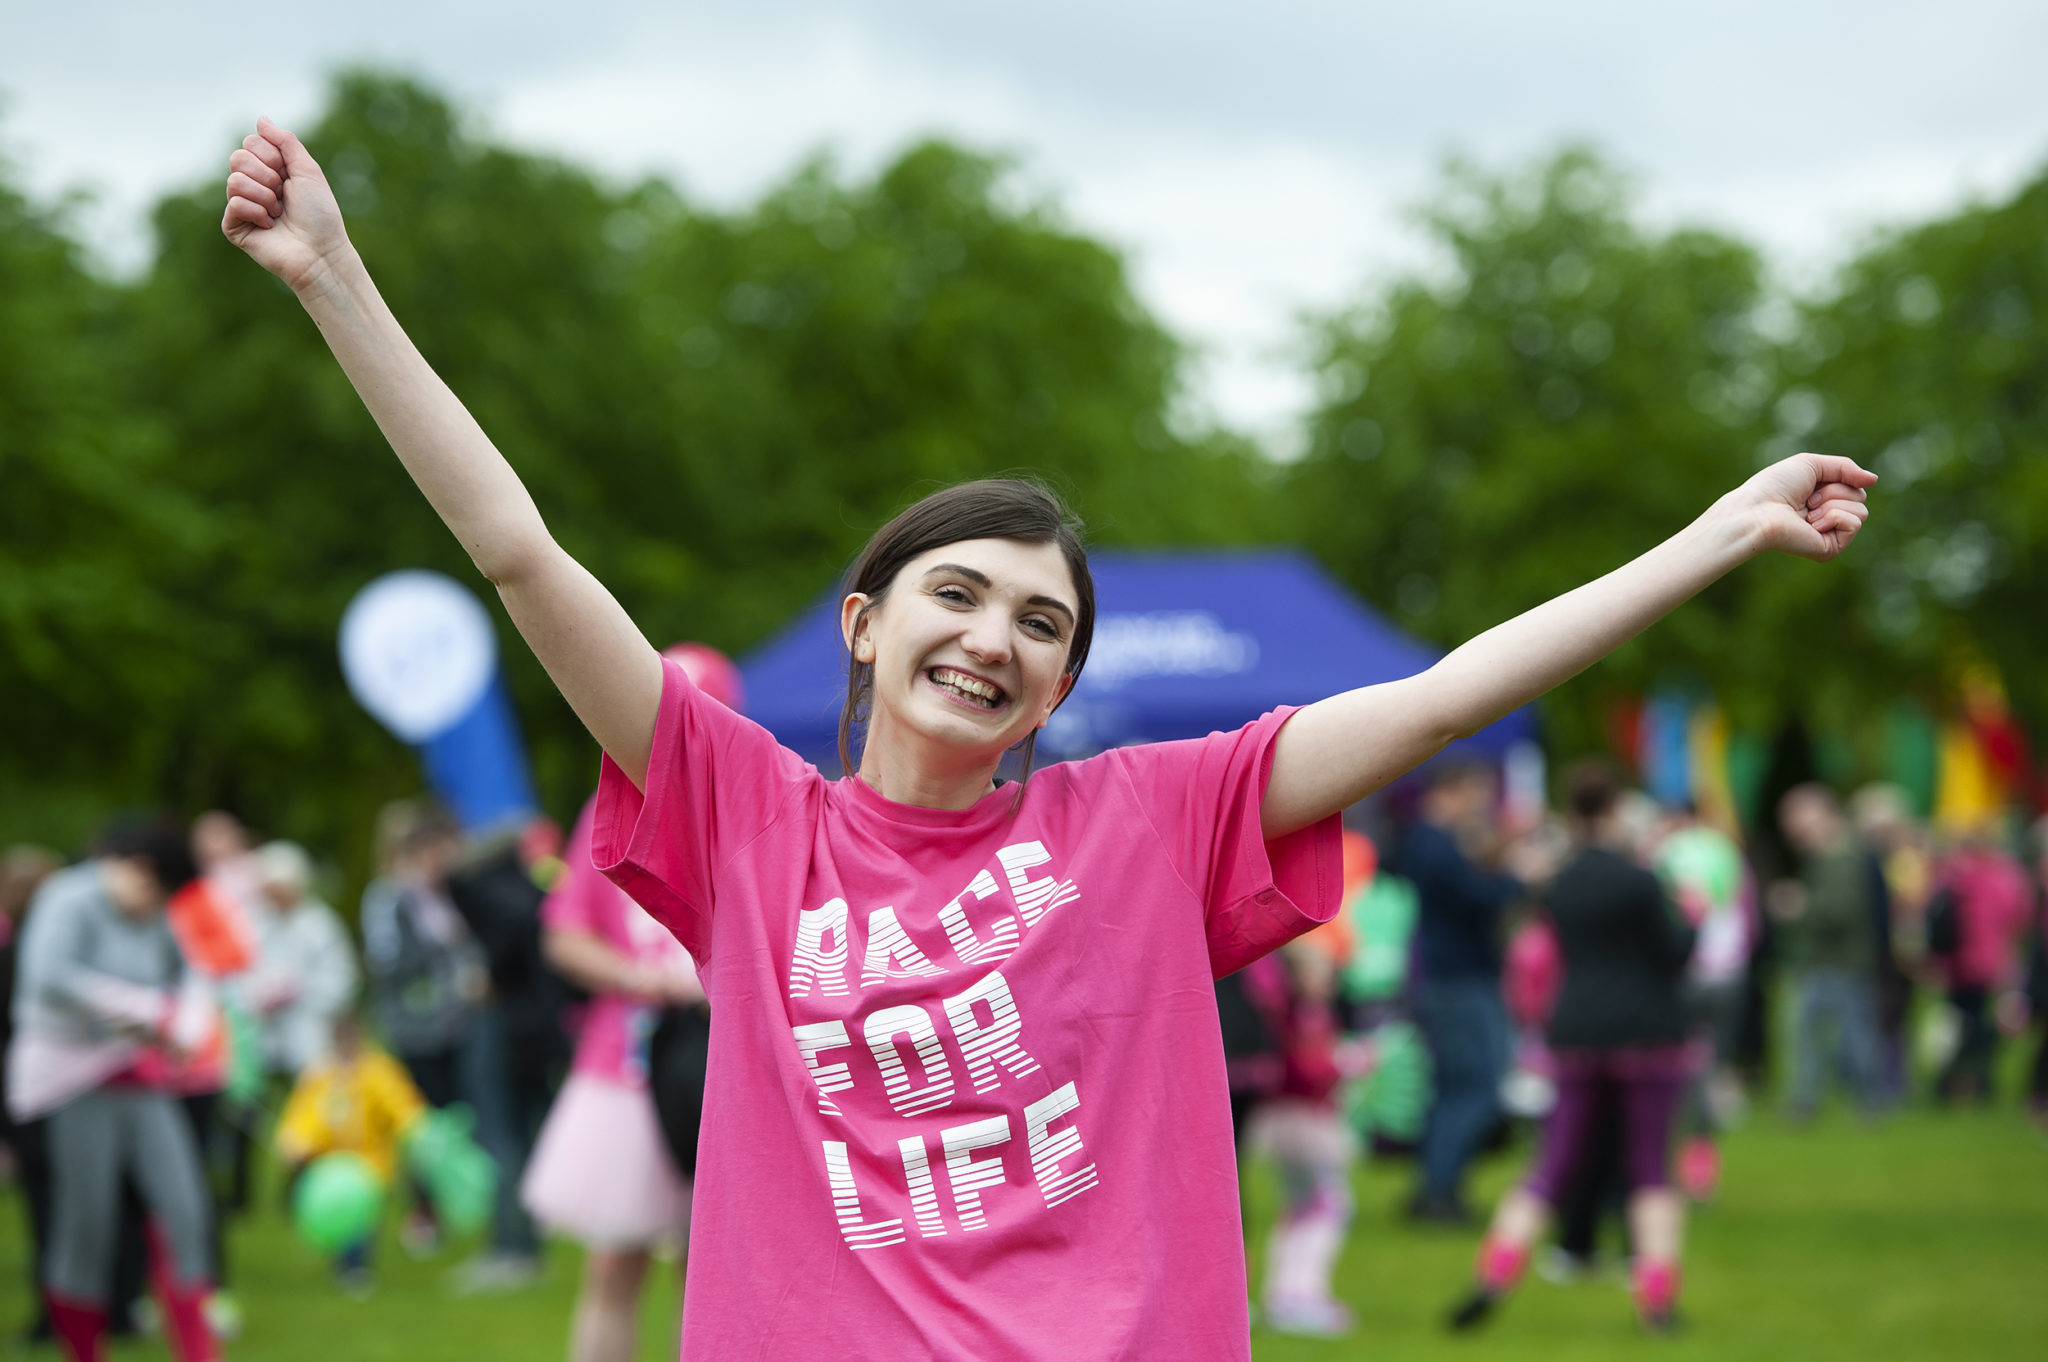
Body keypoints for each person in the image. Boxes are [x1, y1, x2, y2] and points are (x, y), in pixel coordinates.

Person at [221, 116, 1873, 1359]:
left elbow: (1445, 694)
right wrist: (336, 280)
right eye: (957, 590)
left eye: (1040, 622)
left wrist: (1713, 534)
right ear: (864, 620)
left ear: (1061, 682)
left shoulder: (1152, 820)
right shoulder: (738, 807)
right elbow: (520, 553)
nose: (993, 636)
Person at [1448, 762, 1697, 1333]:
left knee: (1552, 1165)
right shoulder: (1641, 878)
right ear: (1614, 809)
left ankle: (1494, 1274)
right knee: (1650, 1169)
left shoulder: (1557, 882)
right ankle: (1657, 1298)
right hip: (1647, 1031)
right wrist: (1692, 919)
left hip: (1577, 1029)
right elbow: (1673, 952)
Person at [7, 819, 222, 1362]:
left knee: (185, 1207)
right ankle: (82, 1350)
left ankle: (198, 1349)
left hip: (139, 1082)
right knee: (87, 1225)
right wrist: (143, 1008)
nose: (158, 909)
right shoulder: (68, 898)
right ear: (140, 872)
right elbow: (48, 980)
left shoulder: (158, 916)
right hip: (71, 1085)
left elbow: (187, 973)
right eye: (161, 893)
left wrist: (186, 1023)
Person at [522, 792, 705, 1362]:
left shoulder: (742, 796)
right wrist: (641, 977)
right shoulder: (609, 810)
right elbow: (564, 934)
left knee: (709, 1271)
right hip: (626, 1065)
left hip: (718, 1063)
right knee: (613, 1264)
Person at [1390, 763, 1526, 1224]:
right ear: (1452, 791)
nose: (1481, 806)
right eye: (1477, 793)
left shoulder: (1431, 840)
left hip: (1449, 979)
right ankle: (1440, 1191)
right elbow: (1472, 896)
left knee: (1453, 1087)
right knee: (1476, 1085)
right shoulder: (1436, 841)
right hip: (1458, 980)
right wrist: (1520, 880)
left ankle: (1436, 1184)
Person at [360, 800, 486, 1253]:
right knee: (419, 1123)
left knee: (456, 1117)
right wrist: (435, 950)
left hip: (455, 1024)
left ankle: (459, 1202)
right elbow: (385, 962)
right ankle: (423, 1213)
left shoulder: (448, 894)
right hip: (412, 1029)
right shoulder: (389, 898)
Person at [274, 1013, 428, 1295]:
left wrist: (415, 1126)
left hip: (369, 1163)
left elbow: (399, 1103)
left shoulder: (378, 1071)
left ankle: (356, 1266)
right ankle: (345, 1263)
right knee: (338, 1216)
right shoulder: (320, 1076)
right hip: (329, 1167)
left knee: (362, 1220)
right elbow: (305, 1114)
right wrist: (296, 1141)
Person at [1774, 785, 1887, 1120]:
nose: (1789, 825)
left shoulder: (1841, 855)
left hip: (1844, 962)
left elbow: (1842, 910)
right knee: (1810, 1035)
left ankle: (1867, 1102)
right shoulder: (1826, 855)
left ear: (1819, 813)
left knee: (1853, 1038)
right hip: (1824, 961)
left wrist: (1798, 907)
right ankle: (1807, 1102)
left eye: (1794, 815)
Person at [1926, 820, 2032, 1104]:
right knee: (1992, 1024)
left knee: (1959, 1022)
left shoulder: (1951, 873)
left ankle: (1951, 1081)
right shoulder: (2006, 875)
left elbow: (1934, 917)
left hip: (1957, 964)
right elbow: (2022, 915)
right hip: (1994, 963)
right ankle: (1980, 1079)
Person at [240, 841, 358, 1080]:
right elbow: (241, 973)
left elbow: (343, 979)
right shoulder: (255, 922)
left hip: (312, 1028)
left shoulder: (320, 924)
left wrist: (299, 990)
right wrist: (262, 992)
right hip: (265, 1031)